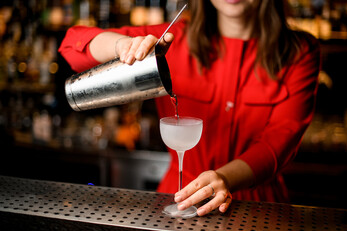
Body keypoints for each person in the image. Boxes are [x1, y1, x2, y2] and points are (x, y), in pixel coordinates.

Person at [59, 0, 320, 217]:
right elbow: (72, 45)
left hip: (260, 206)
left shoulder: (300, 51)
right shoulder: (169, 38)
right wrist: (122, 46)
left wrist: (225, 178)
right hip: (179, 196)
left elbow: (280, 140)